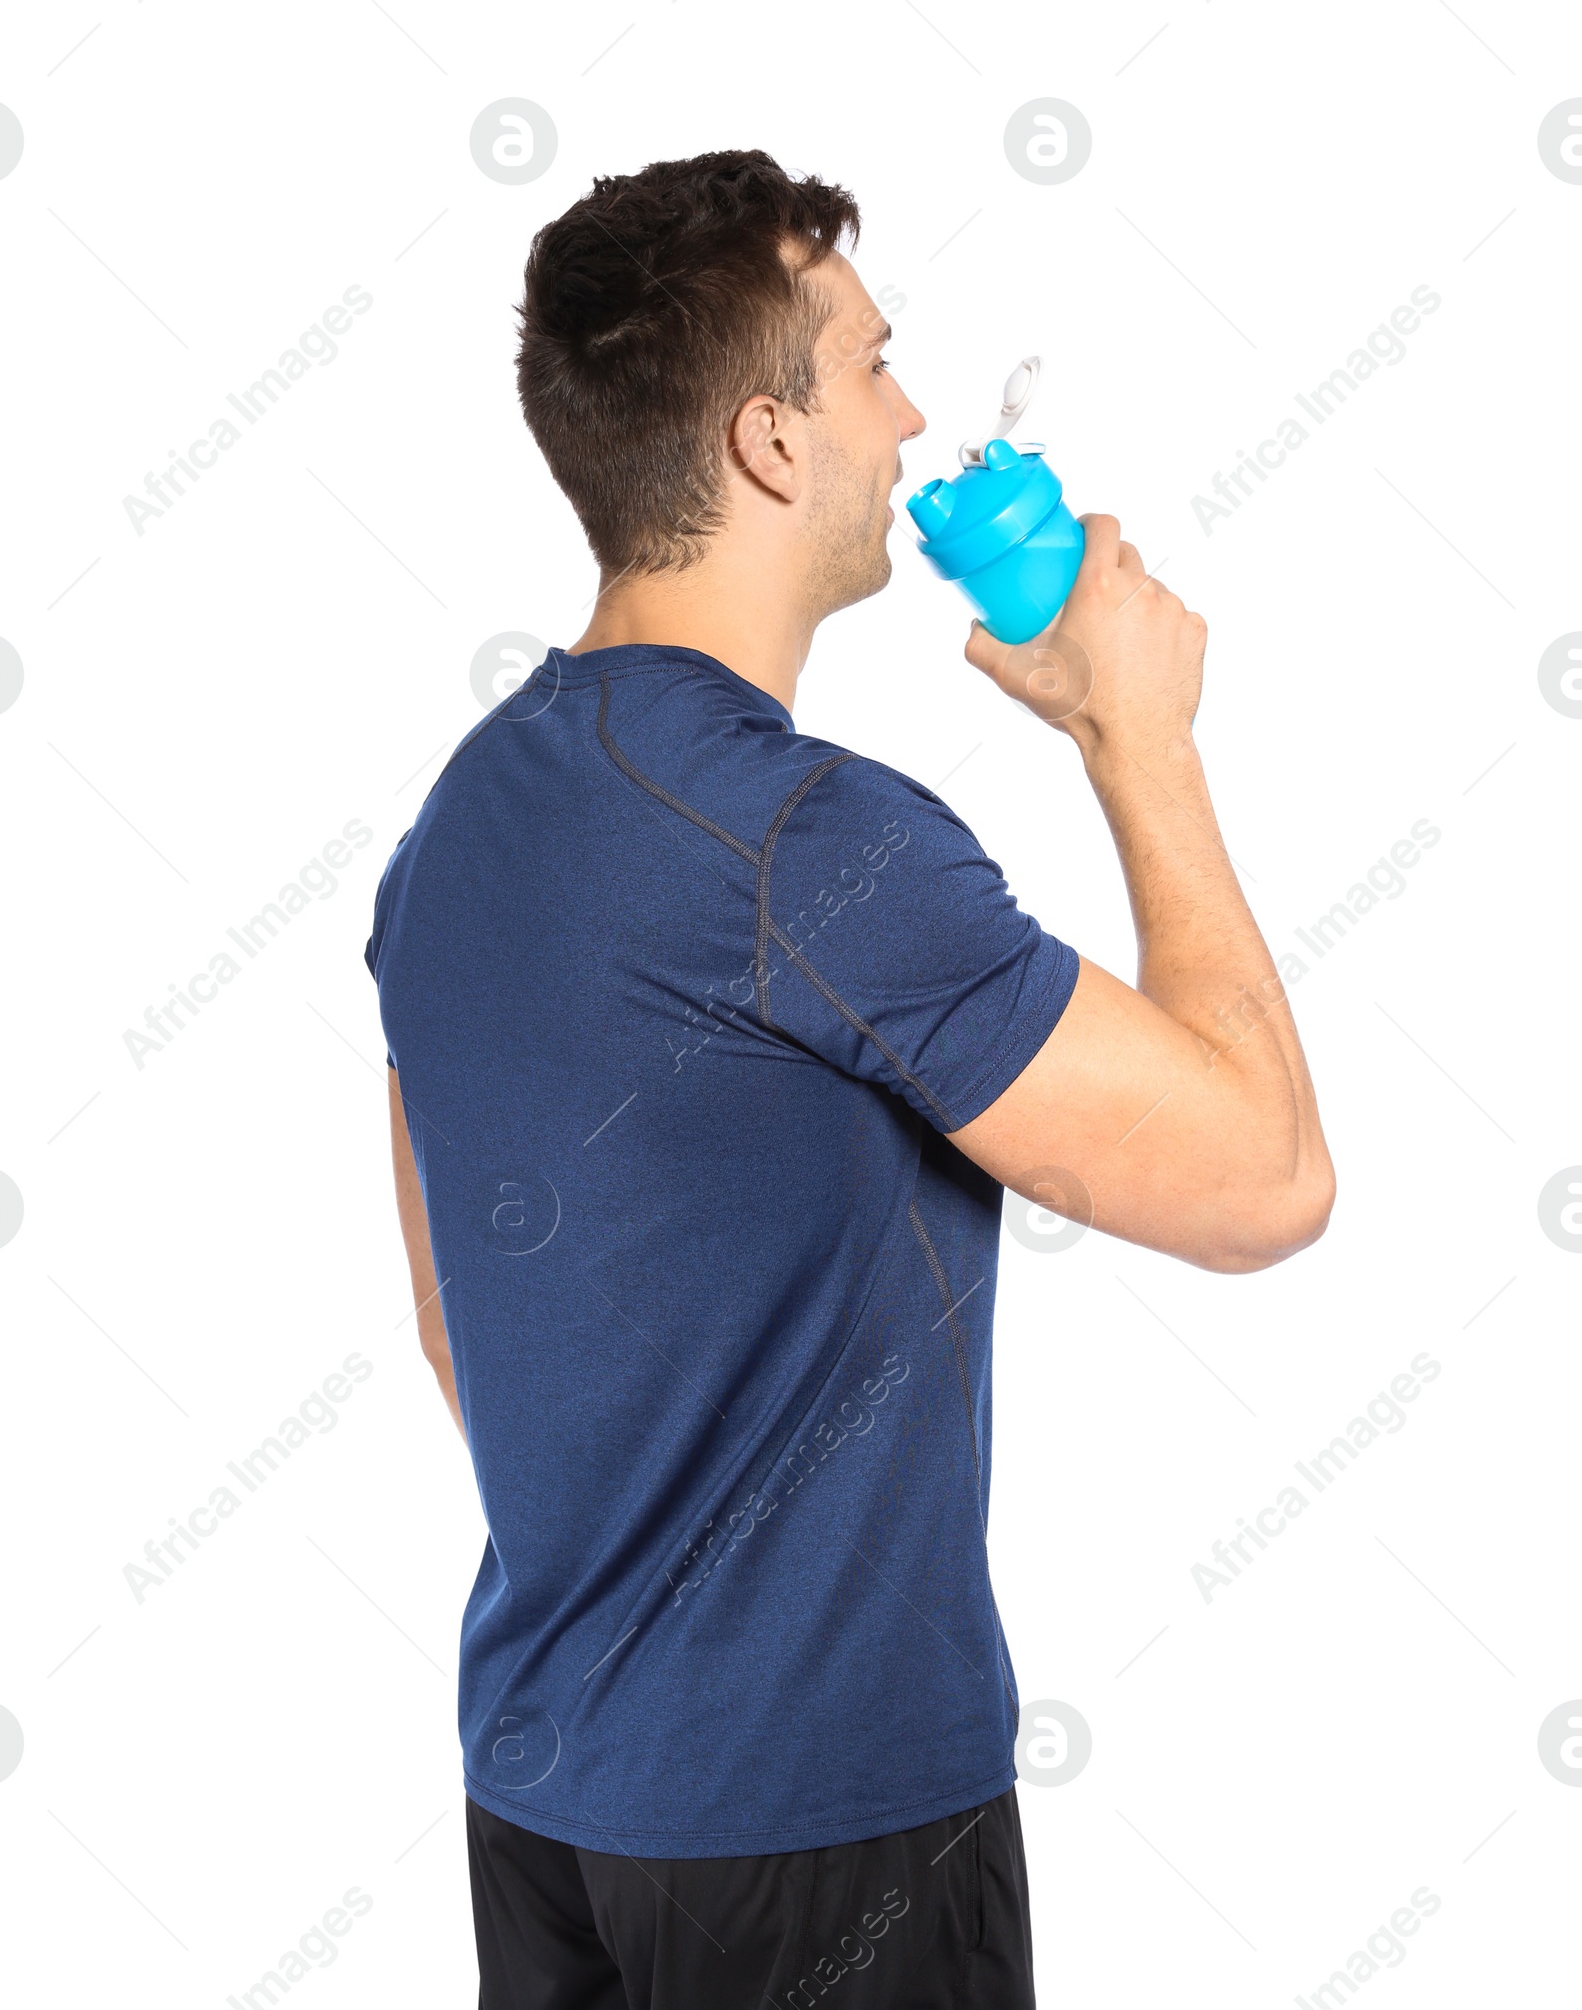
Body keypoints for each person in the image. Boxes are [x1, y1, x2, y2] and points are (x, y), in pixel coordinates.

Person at [365, 149, 1334, 2009]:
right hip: (825, 1849)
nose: (910, 419)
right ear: (769, 444)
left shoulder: (457, 823)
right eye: (876, 366)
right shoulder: (812, 844)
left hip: (551, 1806)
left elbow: (450, 1321)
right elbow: (1267, 1178)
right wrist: (1140, 737)